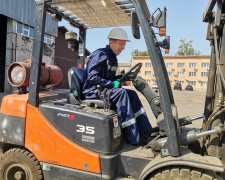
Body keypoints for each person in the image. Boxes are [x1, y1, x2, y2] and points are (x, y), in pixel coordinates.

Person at [82, 28, 152, 145]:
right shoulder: (100, 54)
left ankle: (145, 130)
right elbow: (92, 77)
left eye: (124, 45)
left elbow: (109, 78)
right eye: (121, 44)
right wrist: (111, 84)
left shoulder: (113, 58)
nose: (123, 47)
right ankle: (133, 137)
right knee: (122, 93)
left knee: (132, 94)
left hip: (103, 89)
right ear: (111, 43)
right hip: (92, 91)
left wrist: (120, 78)